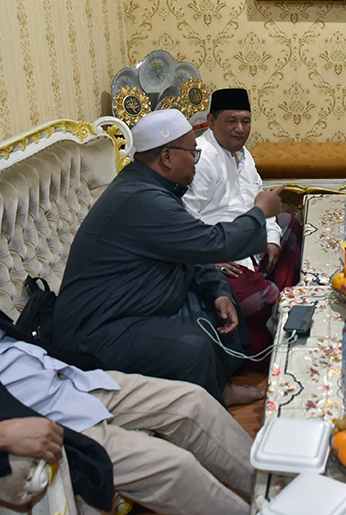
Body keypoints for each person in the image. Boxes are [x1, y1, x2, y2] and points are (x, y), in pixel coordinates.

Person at [0, 200, 256, 514]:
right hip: (44, 417)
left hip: (69, 379)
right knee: (173, 467)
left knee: (192, 401)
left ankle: (278, 489)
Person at [51, 109, 284, 407]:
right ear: (167, 157)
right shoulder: (141, 199)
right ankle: (209, 405)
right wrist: (260, 213)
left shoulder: (153, 187)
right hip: (99, 327)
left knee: (219, 306)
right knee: (192, 348)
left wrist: (219, 291)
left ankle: (217, 388)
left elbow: (191, 250)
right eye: (193, 154)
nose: (196, 162)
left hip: (139, 303)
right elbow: (211, 243)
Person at [183, 89, 302, 359]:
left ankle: (275, 296)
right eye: (231, 121)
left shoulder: (244, 155)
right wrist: (208, 260)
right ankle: (268, 325)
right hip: (223, 253)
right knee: (258, 297)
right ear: (211, 122)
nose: (240, 129)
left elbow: (261, 199)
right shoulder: (202, 158)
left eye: (246, 121)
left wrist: (271, 238)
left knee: (289, 225)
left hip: (250, 240)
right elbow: (185, 219)